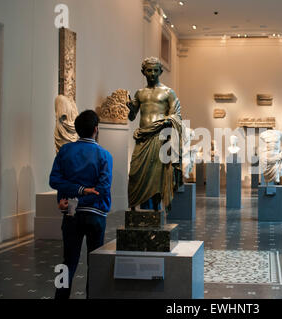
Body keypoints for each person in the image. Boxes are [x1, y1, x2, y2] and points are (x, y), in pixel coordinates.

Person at [49, 110, 113, 299]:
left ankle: (60, 297)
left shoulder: (65, 151)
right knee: (95, 263)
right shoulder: (104, 155)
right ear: (96, 129)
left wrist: (73, 199)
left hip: (71, 214)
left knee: (67, 263)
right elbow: (102, 189)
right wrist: (83, 193)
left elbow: (54, 180)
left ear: (77, 130)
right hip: (96, 215)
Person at [126, 57, 183, 211]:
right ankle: (136, 208)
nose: (152, 74)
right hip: (143, 138)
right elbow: (132, 116)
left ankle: (155, 210)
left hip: (159, 138)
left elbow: (176, 114)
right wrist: (130, 108)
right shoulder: (140, 93)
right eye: (149, 70)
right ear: (143, 72)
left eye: (155, 70)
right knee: (135, 173)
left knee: (156, 175)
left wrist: (165, 122)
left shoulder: (168, 92)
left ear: (160, 71)